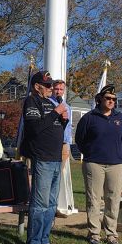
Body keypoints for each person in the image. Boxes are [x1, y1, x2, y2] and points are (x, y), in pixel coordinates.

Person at [20, 70, 68, 244]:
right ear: (36, 86)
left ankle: (45, 240)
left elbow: (52, 128)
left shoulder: (50, 102)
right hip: (43, 159)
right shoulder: (32, 102)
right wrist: (56, 113)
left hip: (56, 158)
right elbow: (35, 128)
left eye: (51, 85)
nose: (51, 88)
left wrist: (63, 121)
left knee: (51, 204)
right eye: (47, 85)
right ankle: (33, 243)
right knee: (39, 203)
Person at [75, 84, 122, 244]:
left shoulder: (120, 118)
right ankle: (94, 233)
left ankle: (111, 233)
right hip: (94, 164)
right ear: (100, 99)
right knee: (94, 199)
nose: (111, 101)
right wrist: (90, 154)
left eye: (114, 99)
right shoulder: (89, 118)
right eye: (108, 98)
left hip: (116, 164)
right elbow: (80, 140)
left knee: (113, 199)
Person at [50, 80, 73, 218]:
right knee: (49, 175)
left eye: (61, 89)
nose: (58, 91)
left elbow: (69, 128)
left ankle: (54, 206)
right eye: (56, 89)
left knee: (58, 176)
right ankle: (46, 206)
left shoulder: (67, 106)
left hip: (64, 144)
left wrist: (68, 145)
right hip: (52, 144)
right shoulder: (48, 104)